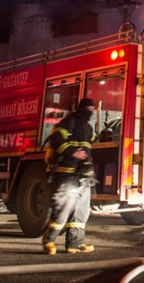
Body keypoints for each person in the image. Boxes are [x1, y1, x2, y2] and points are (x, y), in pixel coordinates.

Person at [42, 97, 97, 255]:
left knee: (81, 211)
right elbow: (56, 140)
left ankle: (74, 244)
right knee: (63, 210)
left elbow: (90, 144)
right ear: (82, 109)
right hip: (67, 173)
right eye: (89, 109)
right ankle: (49, 241)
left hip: (84, 176)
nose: (90, 113)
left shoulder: (88, 128)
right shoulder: (69, 122)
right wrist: (73, 152)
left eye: (92, 110)